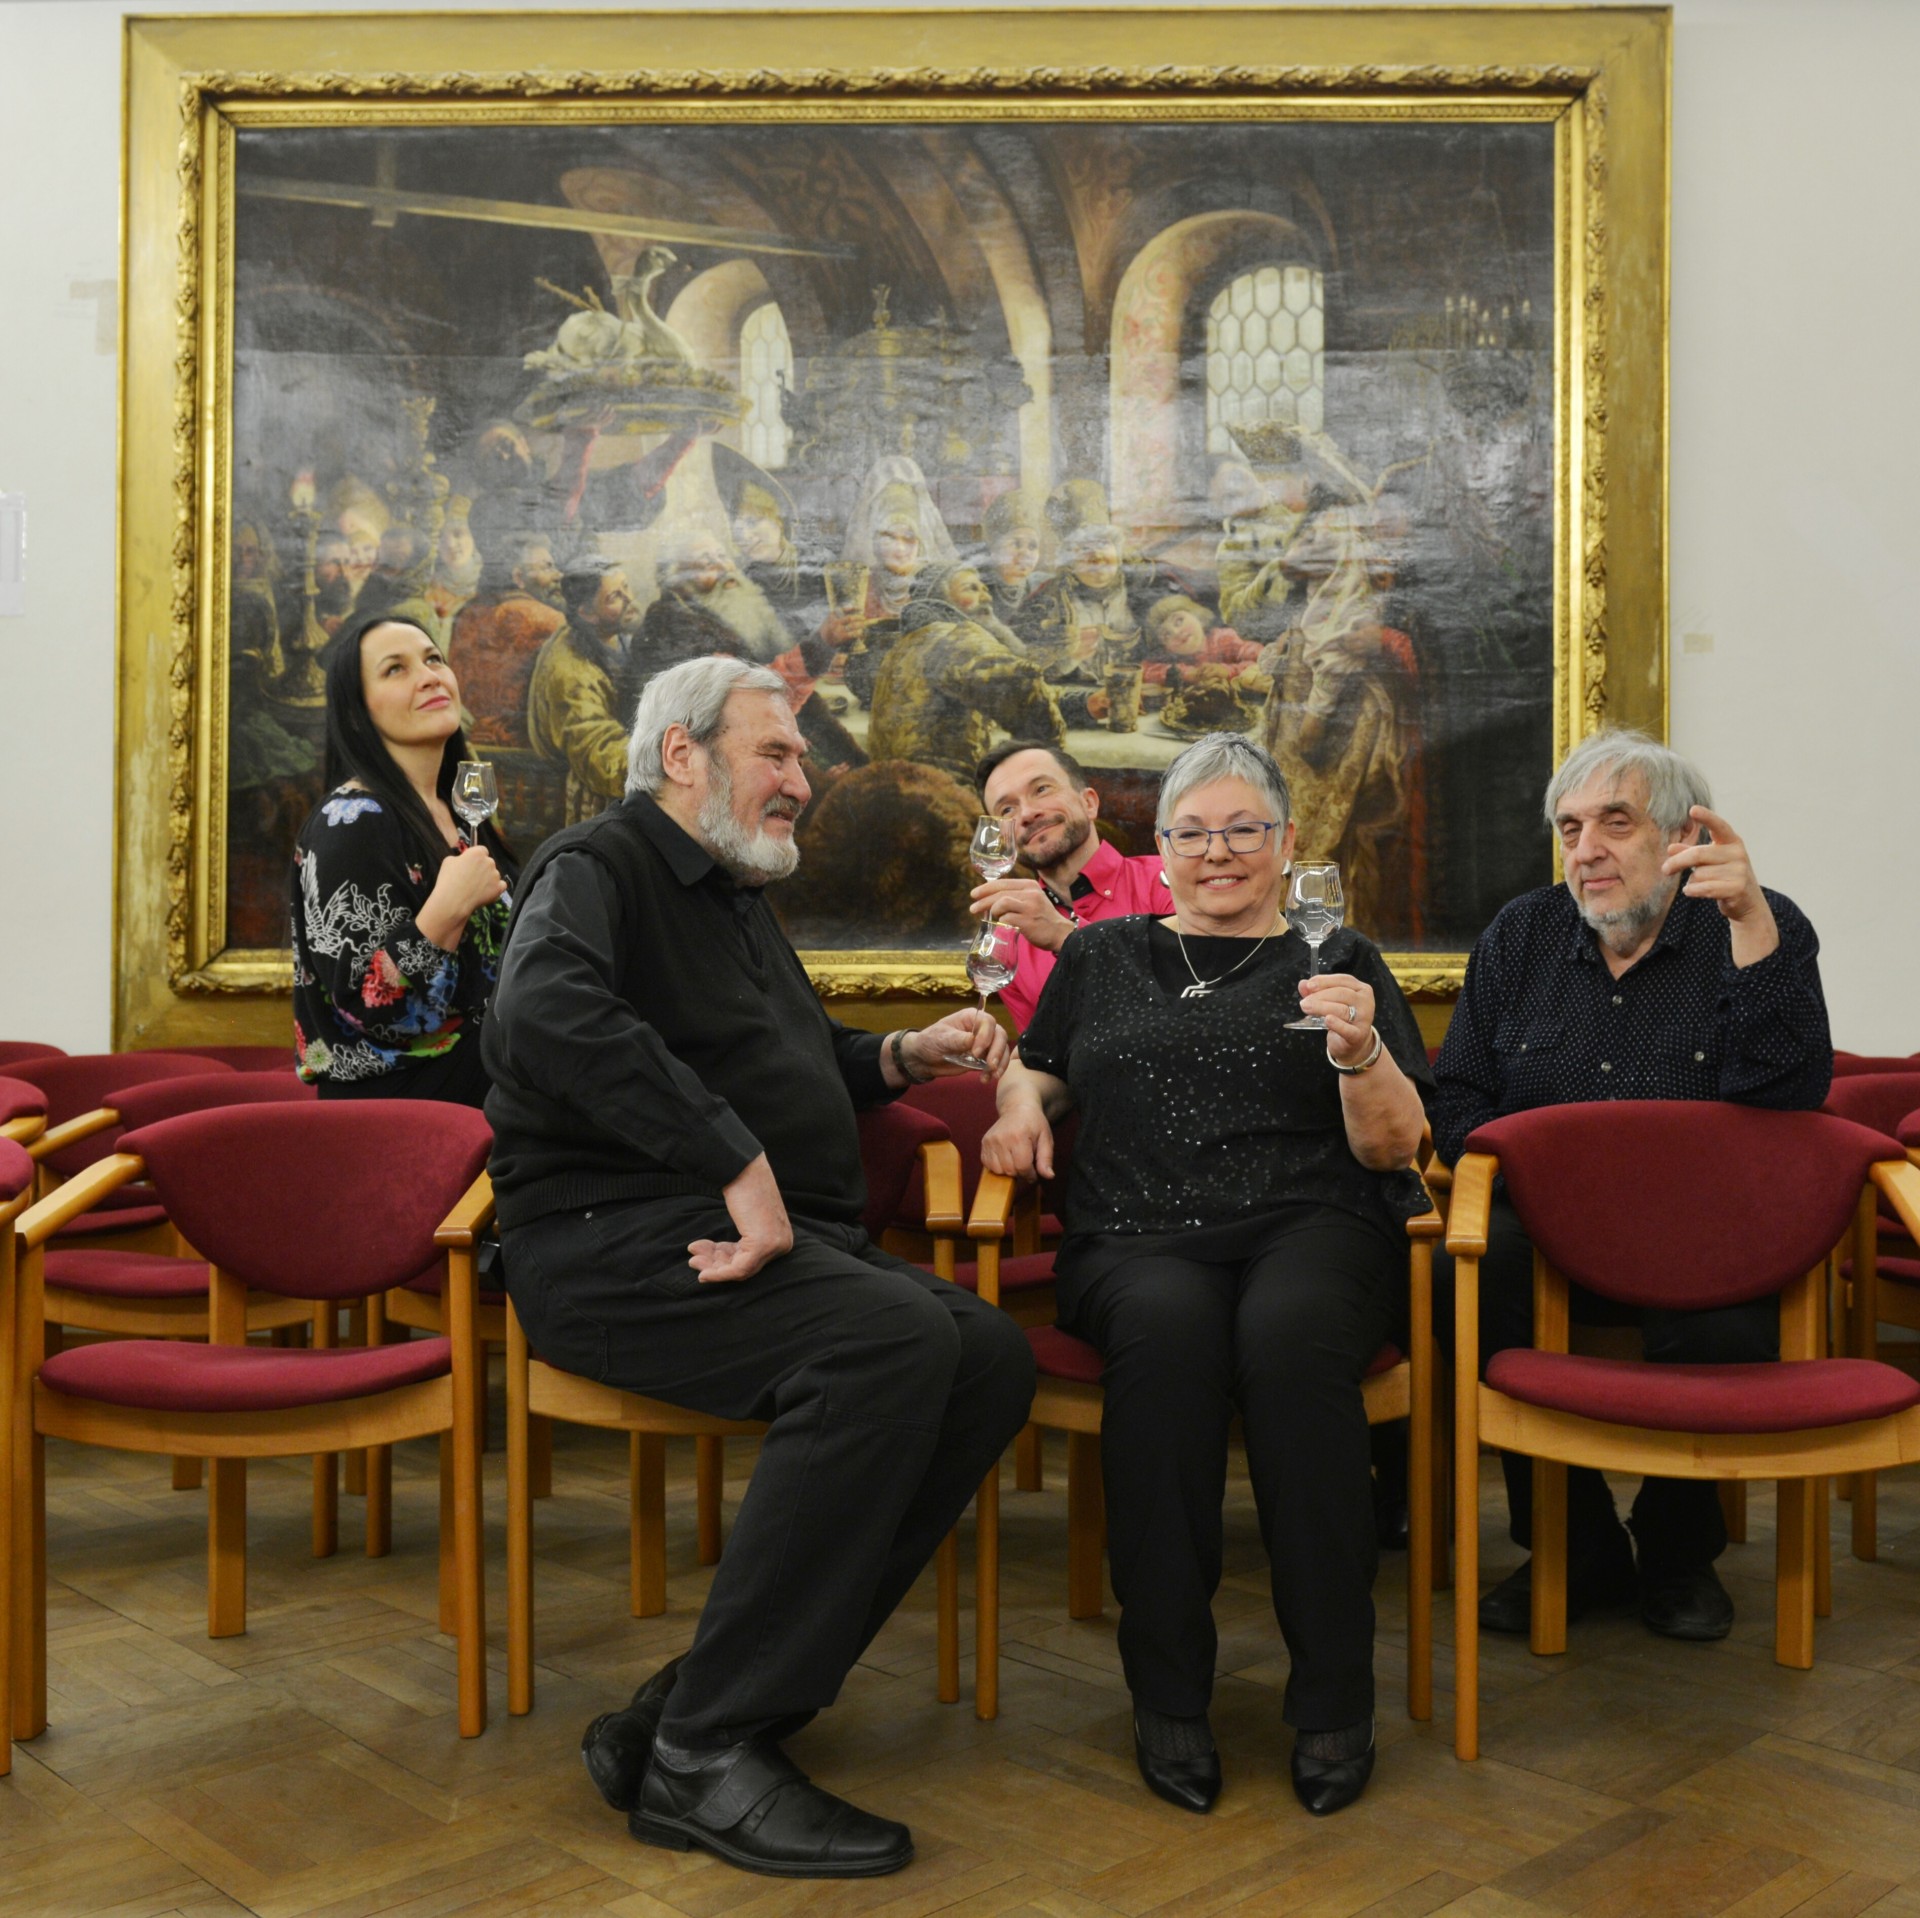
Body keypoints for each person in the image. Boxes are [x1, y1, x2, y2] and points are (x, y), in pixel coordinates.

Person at [484, 655, 1035, 1878]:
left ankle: (688, 1708)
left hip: (759, 1236)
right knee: (888, 1341)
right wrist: (732, 1158)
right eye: (775, 751)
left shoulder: (734, 894)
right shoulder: (596, 863)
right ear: (682, 753)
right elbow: (543, 1014)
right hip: (611, 1238)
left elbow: (784, 1053)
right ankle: (708, 1752)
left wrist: (898, 1054)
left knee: (989, 1356)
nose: (803, 776)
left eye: (801, 754)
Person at [981, 732, 1433, 1818]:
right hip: (1136, 1231)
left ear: (1287, 842)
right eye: (1192, 833)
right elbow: (1038, 1069)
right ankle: (1169, 1692)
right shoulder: (1102, 955)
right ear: (1162, 845)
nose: (1217, 852)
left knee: (1291, 1342)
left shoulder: (1340, 958)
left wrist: (1362, 1053)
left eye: (1243, 830)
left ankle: (1335, 1696)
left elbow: (1396, 1146)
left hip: (1314, 1222)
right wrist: (1017, 1108)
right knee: (1168, 1341)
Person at [1431, 728, 1832, 1643]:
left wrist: (1752, 929)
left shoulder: (1755, 924)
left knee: (1728, 1317)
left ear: (1683, 837)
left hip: (1702, 1227)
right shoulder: (1522, 935)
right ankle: (1574, 1544)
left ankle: (1678, 1549)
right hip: (1544, 1227)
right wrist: (1526, 1177)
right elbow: (1459, 1095)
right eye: (1570, 828)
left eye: (1616, 823)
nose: (1586, 850)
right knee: (1472, 1272)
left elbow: (1792, 1103)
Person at [290, 612, 513, 1105]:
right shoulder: (350, 821)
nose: (429, 676)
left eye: (434, 659)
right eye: (396, 669)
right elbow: (369, 1006)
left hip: (484, 1078)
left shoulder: (461, 812)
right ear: (356, 713)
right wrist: (447, 908)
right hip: (402, 1107)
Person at [969, 740, 1172, 1030]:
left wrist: (1067, 937)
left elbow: (1191, 1006)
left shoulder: (1170, 882)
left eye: (1041, 789)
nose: (1026, 814)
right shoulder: (1011, 941)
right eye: (1007, 810)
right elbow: (1040, 1051)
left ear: (1089, 803)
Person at [866, 565, 1064, 782]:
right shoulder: (956, 636)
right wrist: (1045, 760)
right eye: (971, 588)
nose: (986, 597)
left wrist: (1080, 704)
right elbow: (1022, 684)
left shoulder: (909, 645)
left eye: (984, 588)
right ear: (940, 597)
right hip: (950, 790)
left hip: (901, 789)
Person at [527, 557, 641, 824]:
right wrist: (661, 764)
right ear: (587, 613)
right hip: (595, 798)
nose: (629, 599)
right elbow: (597, 749)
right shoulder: (570, 669)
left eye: (626, 587)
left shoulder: (614, 634)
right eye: (614, 596)